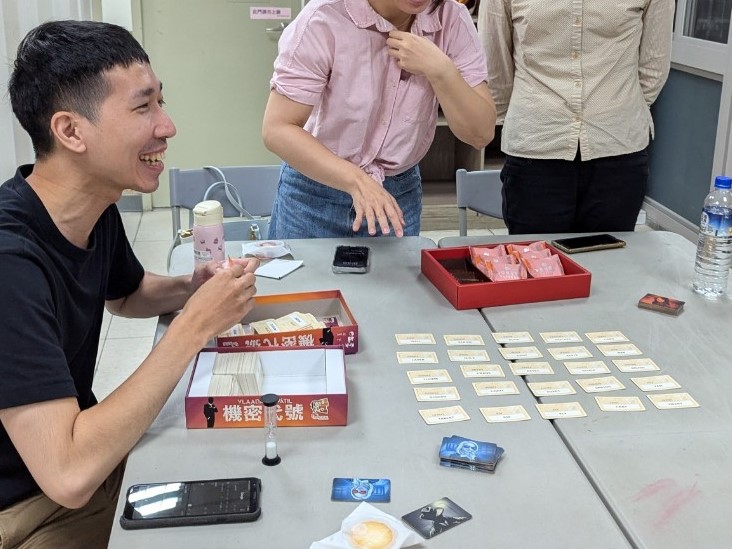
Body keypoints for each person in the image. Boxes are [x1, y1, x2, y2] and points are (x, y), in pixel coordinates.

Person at [0, 20, 259, 547]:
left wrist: (193, 287)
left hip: (82, 465)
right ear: (71, 131)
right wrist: (194, 325)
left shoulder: (94, 204)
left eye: (161, 101)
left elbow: (127, 294)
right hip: (27, 505)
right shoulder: (9, 262)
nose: (168, 126)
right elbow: (68, 474)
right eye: (143, 107)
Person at [262, 0, 496, 238]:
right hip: (314, 191)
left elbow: (480, 134)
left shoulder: (452, 19)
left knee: (397, 265)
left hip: (397, 193)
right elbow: (277, 129)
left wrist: (442, 71)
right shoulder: (324, 17)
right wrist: (357, 181)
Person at [478, 1, 675, 234]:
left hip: (618, 148)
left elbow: (654, 66)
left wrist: (618, 108)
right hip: (535, 145)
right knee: (537, 254)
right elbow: (494, 63)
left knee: (610, 254)